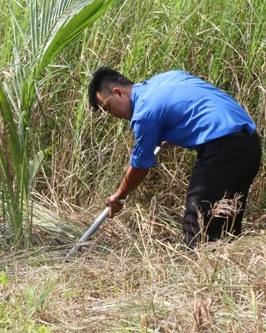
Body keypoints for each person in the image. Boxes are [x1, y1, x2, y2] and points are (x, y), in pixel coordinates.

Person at [88, 67, 261, 248]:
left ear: (118, 93)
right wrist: (171, 132)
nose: (111, 115)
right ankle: (231, 270)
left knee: (197, 227)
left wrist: (119, 197)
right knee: (226, 222)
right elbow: (191, 105)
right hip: (249, 145)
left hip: (222, 149)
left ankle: (203, 272)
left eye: (108, 107)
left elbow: (139, 167)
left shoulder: (144, 113)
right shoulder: (168, 77)